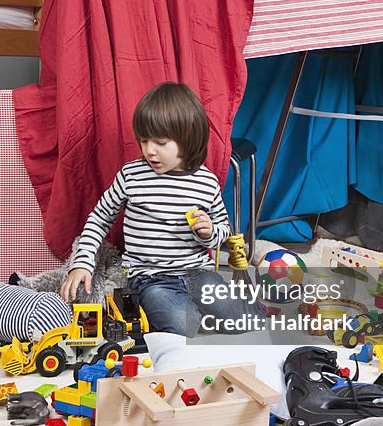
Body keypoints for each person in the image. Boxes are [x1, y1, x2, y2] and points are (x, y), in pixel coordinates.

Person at [60, 82, 263, 337]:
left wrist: (208, 232)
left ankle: (247, 307)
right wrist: (82, 264)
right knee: (183, 325)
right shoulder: (132, 175)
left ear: (187, 140)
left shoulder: (205, 181)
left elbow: (223, 228)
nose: (149, 150)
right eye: (144, 141)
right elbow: (99, 219)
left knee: (239, 318)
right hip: (149, 278)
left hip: (196, 273)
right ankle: (181, 312)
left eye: (160, 142)